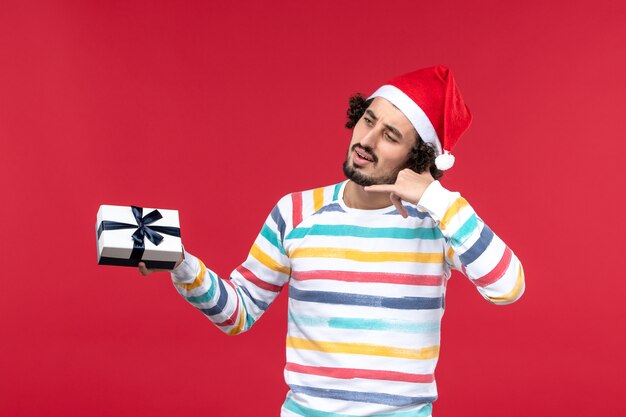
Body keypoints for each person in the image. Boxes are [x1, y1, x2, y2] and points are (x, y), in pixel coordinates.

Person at [139, 65, 525, 417]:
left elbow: (507, 287)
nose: (366, 140)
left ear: (419, 161)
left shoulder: (438, 224)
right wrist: (180, 263)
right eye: (368, 120)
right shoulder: (295, 212)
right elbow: (237, 313)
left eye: (390, 136)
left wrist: (437, 200)